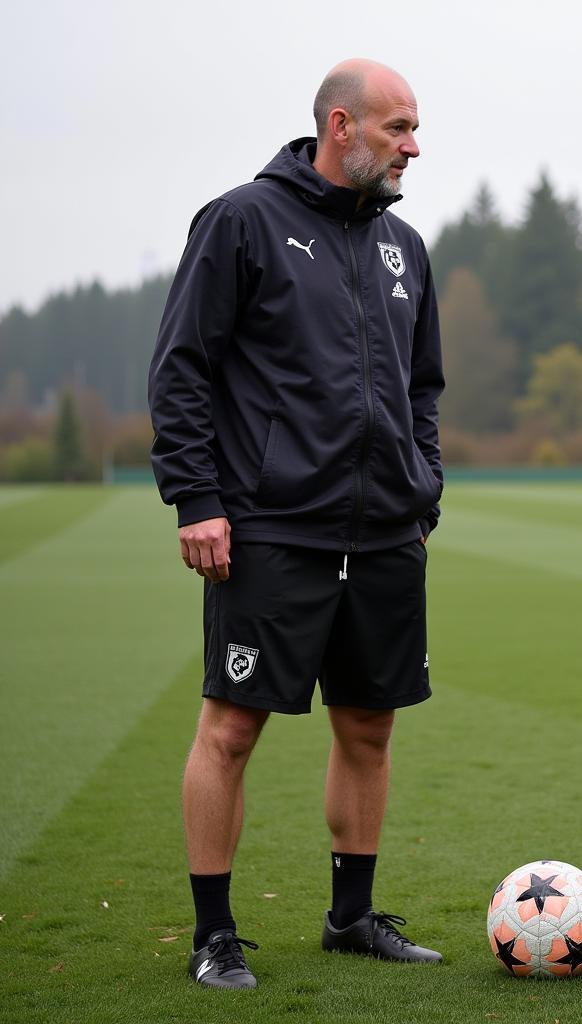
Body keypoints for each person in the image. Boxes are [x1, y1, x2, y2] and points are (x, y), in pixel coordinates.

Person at [149, 58, 445, 990]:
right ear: (342, 125)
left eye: (415, 128)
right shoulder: (241, 221)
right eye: (398, 128)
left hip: (387, 534)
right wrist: (198, 499)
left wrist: (420, 485)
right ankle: (214, 937)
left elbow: (423, 387)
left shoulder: (405, 247)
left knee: (369, 727)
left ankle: (351, 918)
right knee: (231, 729)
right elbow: (183, 369)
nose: (413, 145)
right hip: (273, 529)